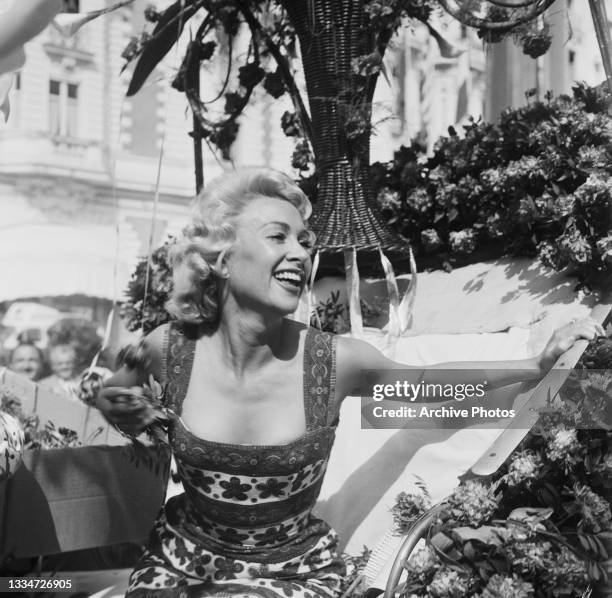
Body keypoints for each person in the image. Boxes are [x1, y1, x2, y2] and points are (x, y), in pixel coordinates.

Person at [95, 168, 604, 598]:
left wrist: (536, 365)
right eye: (278, 237)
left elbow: (429, 386)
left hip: (290, 578)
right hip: (180, 566)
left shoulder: (335, 362)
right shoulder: (170, 346)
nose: (300, 254)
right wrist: (117, 404)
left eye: (305, 242)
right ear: (223, 258)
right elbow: (115, 384)